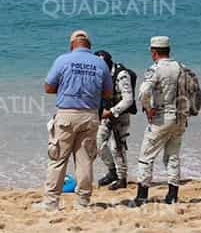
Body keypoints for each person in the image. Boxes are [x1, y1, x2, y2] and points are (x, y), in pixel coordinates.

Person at [34, 30, 113, 211]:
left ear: (71, 45)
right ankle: (83, 202)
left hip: (67, 114)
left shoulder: (63, 60)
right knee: (85, 160)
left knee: (57, 159)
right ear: (89, 46)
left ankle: (51, 202)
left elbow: (48, 87)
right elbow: (108, 93)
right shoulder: (100, 64)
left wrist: (65, 88)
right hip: (90, 115)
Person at [134, 36, 187, 206]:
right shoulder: (181, 67)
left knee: (146, 156)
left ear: (153, 51)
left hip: (162, 118)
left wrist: (148, 108)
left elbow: (143, 93)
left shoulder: (155, 69)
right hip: (180, 116)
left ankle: (142, 196)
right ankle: (172, 195)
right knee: (173, 156)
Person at [95, 50, 135, 190]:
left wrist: (111, 112)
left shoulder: (122, 75)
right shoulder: (101, 74)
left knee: (116, 146)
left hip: (120, 115)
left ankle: (122, 178)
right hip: (106, 114)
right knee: (98, 142)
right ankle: (112, 171)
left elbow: (128, 100)